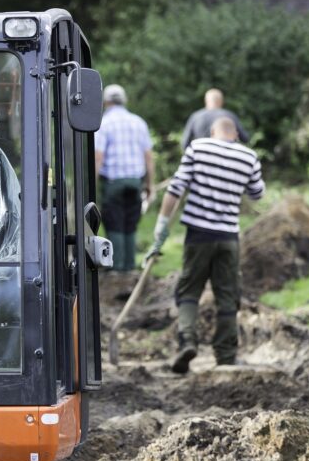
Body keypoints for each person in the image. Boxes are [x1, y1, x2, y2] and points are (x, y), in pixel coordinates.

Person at [147, 117, 265, 373]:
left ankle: (187, 342)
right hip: (228, 237)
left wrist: (162, 226)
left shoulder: (198, 148)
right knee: (228, 296)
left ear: (213, 132)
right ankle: (226, 356)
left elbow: (176, 189)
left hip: (198, 234)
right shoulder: (249, 156)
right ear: (234, 134)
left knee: (189, 290)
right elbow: (257, 193)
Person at [95, 84, 154, 271]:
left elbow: (98, 157)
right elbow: (148, 157)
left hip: (113, 183)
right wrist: (149, 184)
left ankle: (117, 267)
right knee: (130, 223)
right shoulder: (138, 122)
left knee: (114, 223)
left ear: (106, 102)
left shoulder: (104, 123)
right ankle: (130, 267)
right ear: (124, 100)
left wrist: (92, 183)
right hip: (135, 182)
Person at [181, 88, 250, 150]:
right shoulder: (229, 116)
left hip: (201, 157)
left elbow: (184, 143)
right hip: (225, 159)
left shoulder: (195, 116)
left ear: (206, 101)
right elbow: (245, 138)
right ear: (221, 101)